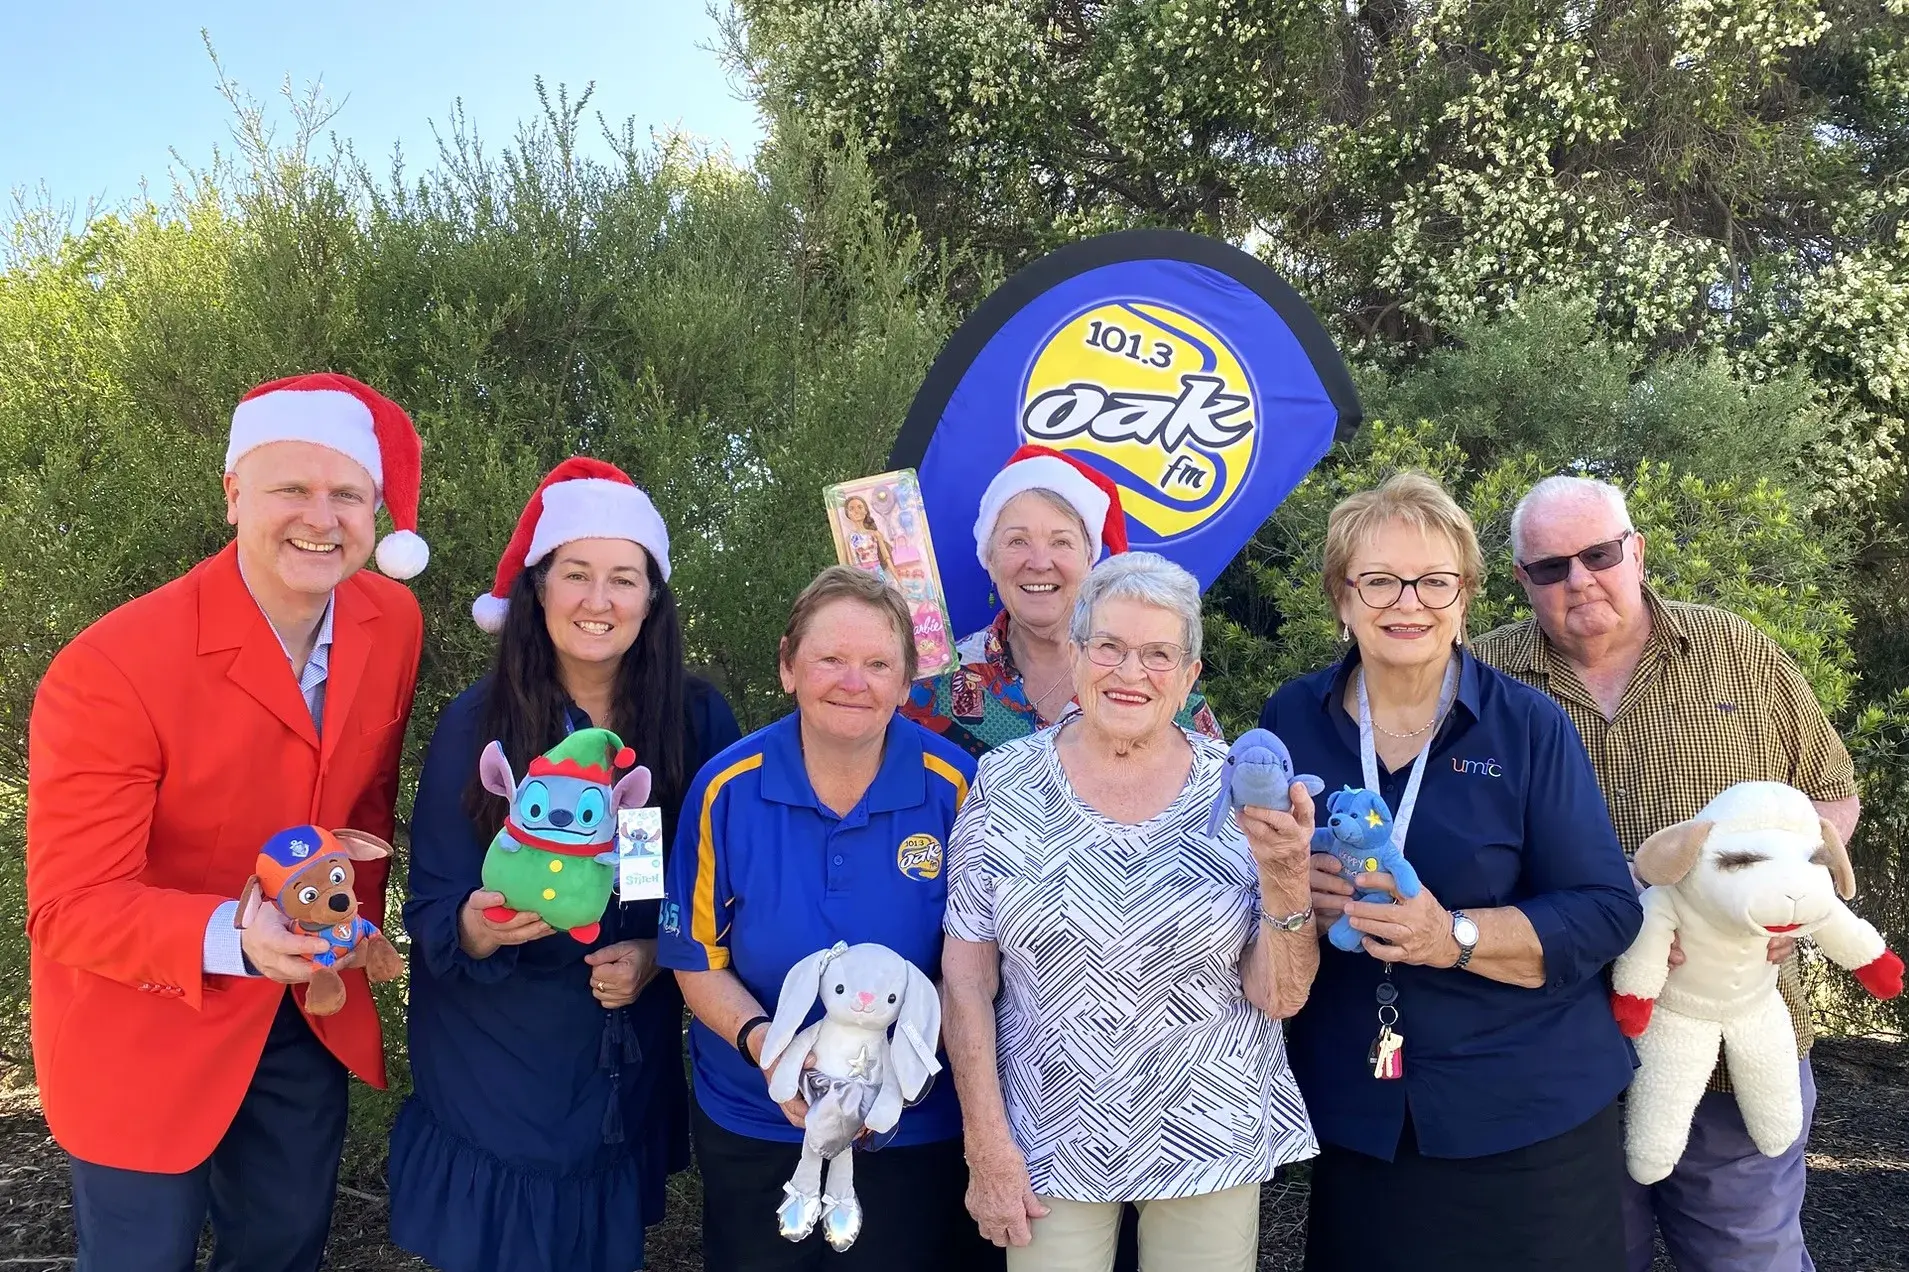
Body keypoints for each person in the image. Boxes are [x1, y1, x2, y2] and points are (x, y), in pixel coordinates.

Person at [25, 373, 430, 1272]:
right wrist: (235, 938)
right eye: (291, 486)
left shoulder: (390, 619)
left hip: (305, 1012)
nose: (320, 517)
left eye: (348, 494)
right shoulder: (112, 667)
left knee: (283, 1251)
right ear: (234, 493)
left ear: (377, 513)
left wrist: (348, 933)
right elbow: (71, 905)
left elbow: (361, 804)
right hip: (142, 1026)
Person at [1471, 474, 1861, 1272]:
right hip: (1561, 1042)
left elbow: (1830, 792)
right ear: (1521, 579)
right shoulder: (1478, 680)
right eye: (1549, 567)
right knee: (1579, 1257)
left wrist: (1792, 904)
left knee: (1746, 1254)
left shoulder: (1735, 652)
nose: (1578, 579)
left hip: (1731, 1039)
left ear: (1635, 550)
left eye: (1598, 554)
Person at [1266, 470, 1643, 1272]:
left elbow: (1608, 909)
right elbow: (1256, 881)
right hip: (1359, 1112)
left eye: (1433, 581)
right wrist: (1296, 885)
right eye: (1379, 581)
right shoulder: (1290, 718)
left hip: (1525, 1114)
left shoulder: (1526, 724)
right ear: (1341, 598)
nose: (1408, 603)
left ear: (1464, 599)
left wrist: (1454, 936)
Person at [387, 458, 740, 1272]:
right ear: (538, 590)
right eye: (575, 574)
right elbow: (434, 898)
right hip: (498, 1044)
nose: (597, 600)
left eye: (623, 578)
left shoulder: (690, 717)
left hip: (620, 1039)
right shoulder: (478, 722)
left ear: (651, 599)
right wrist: (475, 931)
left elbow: (685, 877)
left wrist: (655, 956)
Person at [943, 551, 1320, 1271]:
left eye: (1157, 655)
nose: (1129, 672)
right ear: (1078, 655)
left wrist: (1284, 873)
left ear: (1187, 678)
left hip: (1207, 1127)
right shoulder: (1004, 779)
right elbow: (965, 977)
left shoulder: (1237, 789)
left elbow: (1280, 994)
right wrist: (984, 1139)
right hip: (1049, 1130)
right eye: (1109, 647)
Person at [657, 566, 992, 1271]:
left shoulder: (955, 787)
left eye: (877, 664)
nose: (853, 681)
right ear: (787, 666)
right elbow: (694, 958)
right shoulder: (725, 789)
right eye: (830, 660)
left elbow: (979, 963)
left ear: (906, 684)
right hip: (755, 1110)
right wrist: (772, 1050)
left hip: (910, 1123)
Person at [904, 444, 1222, 755]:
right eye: (1017, 541)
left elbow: (1221, 793)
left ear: (1089, 560)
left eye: (1061, 542)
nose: (1040, 562)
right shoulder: (936, 686)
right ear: (989, 559)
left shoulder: (1149, 679)